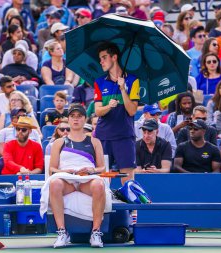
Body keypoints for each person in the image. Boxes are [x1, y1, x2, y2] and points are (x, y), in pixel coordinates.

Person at [42, 103, 108, 248]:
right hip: (67, 181)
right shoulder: (59, 143)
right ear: (68, 119)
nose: (76, 119)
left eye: (79, 116)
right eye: (72, 116)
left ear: (85, 119)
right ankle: (62, 232)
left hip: (87, 181)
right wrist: (66, 172)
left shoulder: (94, 142)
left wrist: (92, 170)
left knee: (98, 184)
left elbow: (102, 167)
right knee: (54, 183)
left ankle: (95, 232)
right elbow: (52, 169)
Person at [94, 42, 139, 184]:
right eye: (100, 58)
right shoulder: (99, 82)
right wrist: (109, 106)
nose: (101, 61)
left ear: (114, 57)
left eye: (104, 57)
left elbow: (132, 111)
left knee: (128, 180)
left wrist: (123, 89)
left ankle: (131, 207)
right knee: (102, 179)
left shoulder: (133, 80)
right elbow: (98, 111)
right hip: (104, 136)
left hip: (124, 136)